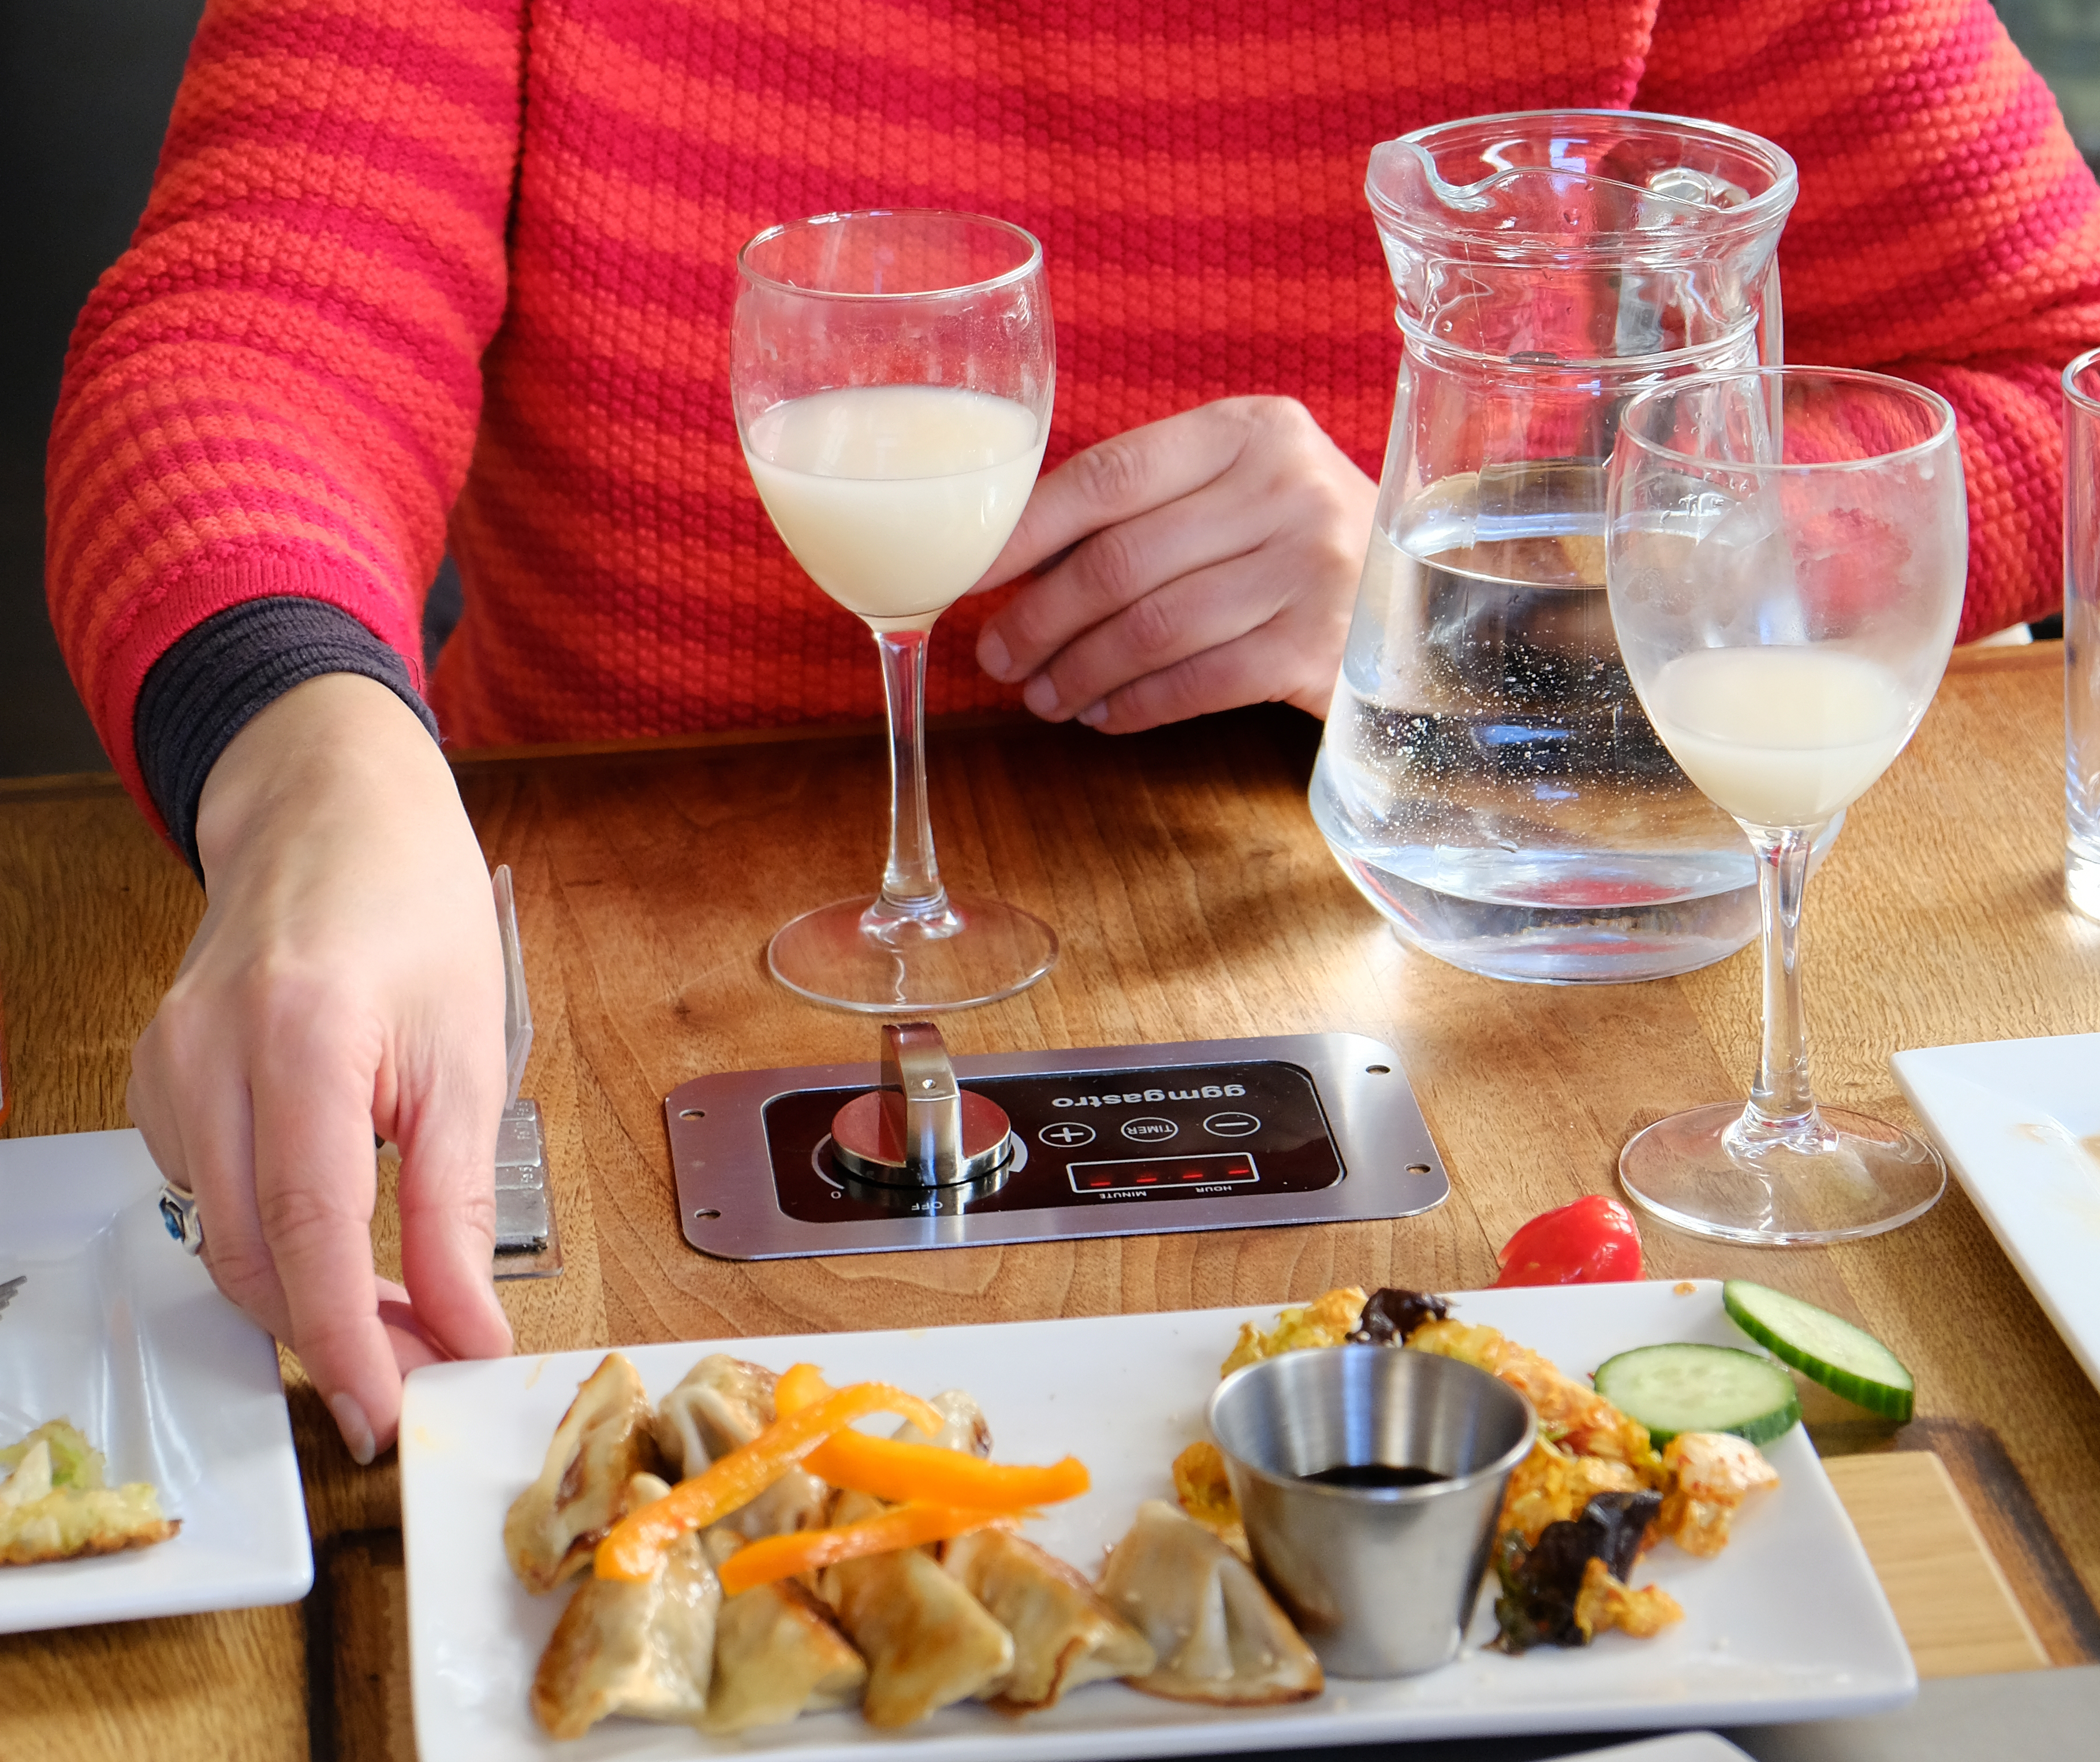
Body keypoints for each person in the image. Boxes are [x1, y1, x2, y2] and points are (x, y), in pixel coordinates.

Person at [46, 0, 2100, 1465]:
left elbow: (2058, 360)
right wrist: (315, 759)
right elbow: (255, 322)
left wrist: (1480, 566)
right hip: (617, 1007)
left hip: (1453, 1000)